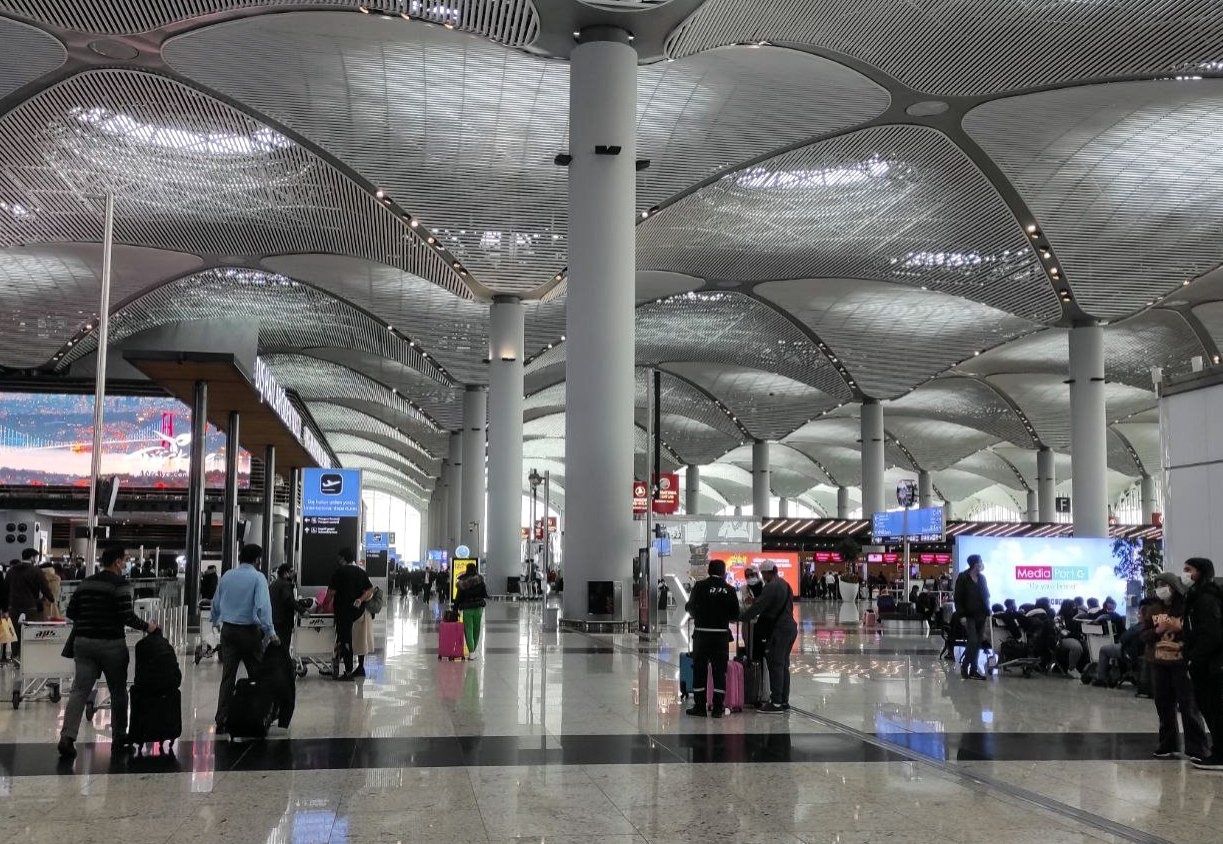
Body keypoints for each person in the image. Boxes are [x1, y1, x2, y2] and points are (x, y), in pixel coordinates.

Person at [58, 544, 158, 758]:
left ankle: (67, 737)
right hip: (111, 644)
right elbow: (127, 616)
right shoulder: (120, 585)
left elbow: (71, 611)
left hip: (83, 643)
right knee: (118, 691)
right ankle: (119, 738)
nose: (126, 564)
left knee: (79, 691)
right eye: (125, 560)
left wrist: (91, 618)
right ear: (117, 562)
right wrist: (148, 627)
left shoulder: (85, 583)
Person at [210, 544, 276, 734]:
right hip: (249, 632)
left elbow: (216, 602)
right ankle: (258, 714)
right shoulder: (258, 577)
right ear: (257, 560)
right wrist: (271, 632)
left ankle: (221, 718)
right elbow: (263, 606)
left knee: (228, 677)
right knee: (257, 675)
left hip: (228, 630)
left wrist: (215, 620)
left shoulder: (227, 576)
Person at [1144, 572, 1210, 760]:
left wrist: (1180, 629)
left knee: (1188, 706)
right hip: (1159, 663)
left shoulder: (1186, 607)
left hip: (1181, 663)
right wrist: (1158, 631)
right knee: (1164, 706)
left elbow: (1198, 631)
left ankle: (1197, 747)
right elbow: (1144, 634)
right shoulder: (1153, 609)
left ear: (1173, 587)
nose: (1161, 589)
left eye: (1164, 585)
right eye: (1158, 585)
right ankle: (1167, 744)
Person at [684, 559, 740, 718]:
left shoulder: (700, 586)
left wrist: (699, 614)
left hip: (701, 635)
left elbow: (690, 607)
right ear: (724, 572)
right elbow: (735, 615)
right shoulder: (729, 590)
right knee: (719, 671)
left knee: (700, 670)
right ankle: (717, 708)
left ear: (709, 571)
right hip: (720, 636)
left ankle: (700, 707)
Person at [740, 560, 799, 712]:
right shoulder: (785, 584)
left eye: (763, 573)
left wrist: (741, 617)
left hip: (779, 631)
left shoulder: (771, 586)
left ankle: (776, 702)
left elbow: (759, 607)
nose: (762, 576)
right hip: (790, 628)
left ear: (767, 573)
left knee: (775, 665)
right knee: (783, 665)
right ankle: (784, 701)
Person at [1182, 558, 1223, 771]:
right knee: (1209, 708)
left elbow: (1212, 634)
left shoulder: (1206, 599)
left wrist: (1195, 658)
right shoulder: (1196, 597)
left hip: (1211, 665)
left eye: (1188, 569)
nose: (1184, 573)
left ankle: (1220, 755)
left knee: (1215, 708)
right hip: (1206, 663)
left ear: (1201, 572)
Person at [326, 547, 374, 680]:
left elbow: (331, 593)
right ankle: (360, 668)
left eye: (339, 558)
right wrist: (360, 599)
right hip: (359, 612)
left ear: (342, 558)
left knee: (345, 640)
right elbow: (370, 590)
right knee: (360, 640)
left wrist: (324, 606)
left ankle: (348, 672)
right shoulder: (361, 572)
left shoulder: (339, 572)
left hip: (343, 612)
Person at [6, 548, 55, 657]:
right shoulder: (36, 571)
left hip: (13, 607)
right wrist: (51, 598)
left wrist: (5, 608)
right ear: (32, 557)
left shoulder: (11, 571)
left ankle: (15, 657)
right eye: (36, 557)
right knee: (30, 633)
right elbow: (45, 588)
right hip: (30, 607)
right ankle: (28, 658)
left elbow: (5, 590)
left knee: (15, 634)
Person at [953, 554, 990, 680]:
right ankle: (965, 666)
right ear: (975, 564)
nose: (982, 564)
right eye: (980, 561)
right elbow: (958, 598)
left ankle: (973, 669)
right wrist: (961, 615)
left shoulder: (982, 578)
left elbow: (986, 596)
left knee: (977, 643)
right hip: (969, 615)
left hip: (982, 614)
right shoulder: (963, 577)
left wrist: (988, 611)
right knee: (973, 641)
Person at [453, 562, 488, 658]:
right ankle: (473, 651)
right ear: (475, 569)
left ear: (467, 570)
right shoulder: (480, 580)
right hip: (478, 607)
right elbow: (484, 594)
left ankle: (471, 652)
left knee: (468, 629)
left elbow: (458, 597)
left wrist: (455, 609)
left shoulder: (462, 582)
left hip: (467, 608)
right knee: (477, 629)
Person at [269, 564, 299, 647]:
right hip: (285, 620)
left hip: (275, 619)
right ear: (285, 573)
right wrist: (302, 610)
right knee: (285, 643)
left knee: (277, 644)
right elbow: (289, 600)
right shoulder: (286, 585)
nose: (294, 573)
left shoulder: (273, 584)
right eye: (291, 571)